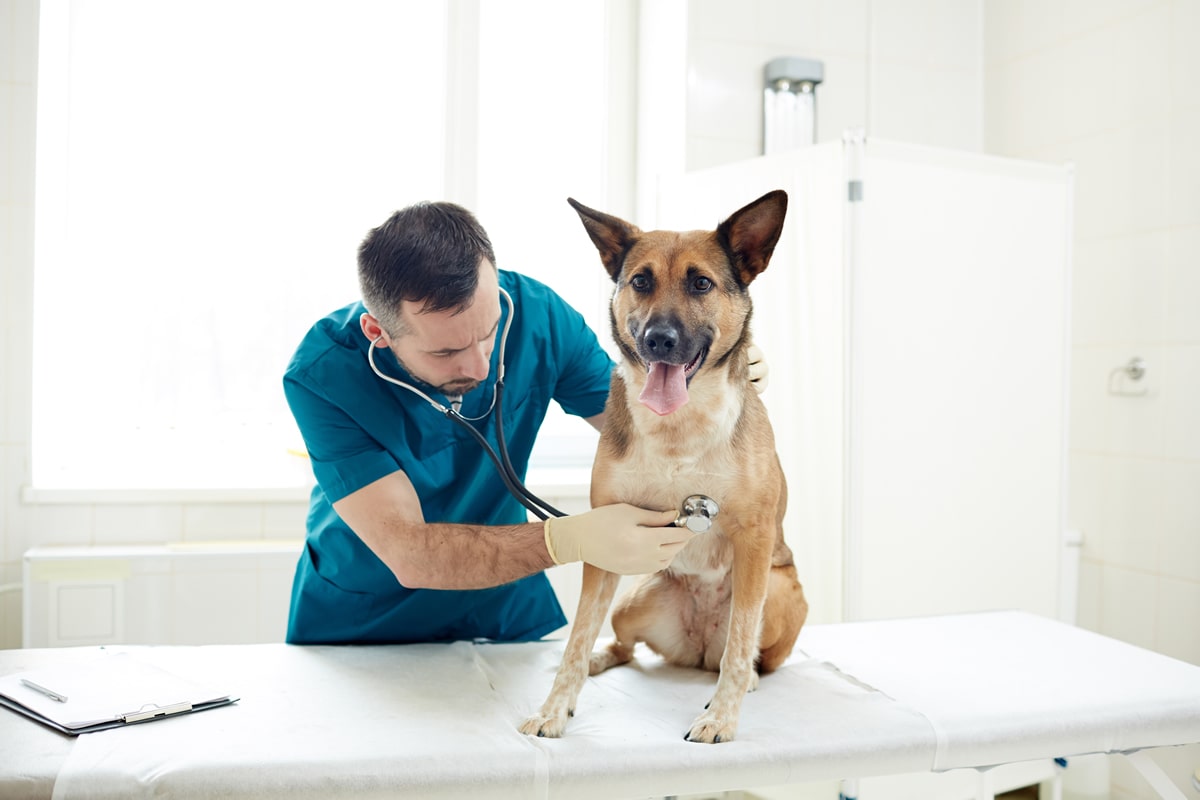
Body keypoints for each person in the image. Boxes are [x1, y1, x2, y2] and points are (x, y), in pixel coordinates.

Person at [283, 201, 762, 645]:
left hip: (502, 607)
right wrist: (567, 538)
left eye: (489, 333)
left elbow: (649, 422)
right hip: (363, 625)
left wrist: (718, 375)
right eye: (446, 352)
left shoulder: (539, 317)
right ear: (378, 332)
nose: (477, 366)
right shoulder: (324, 376)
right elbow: (409, 551)